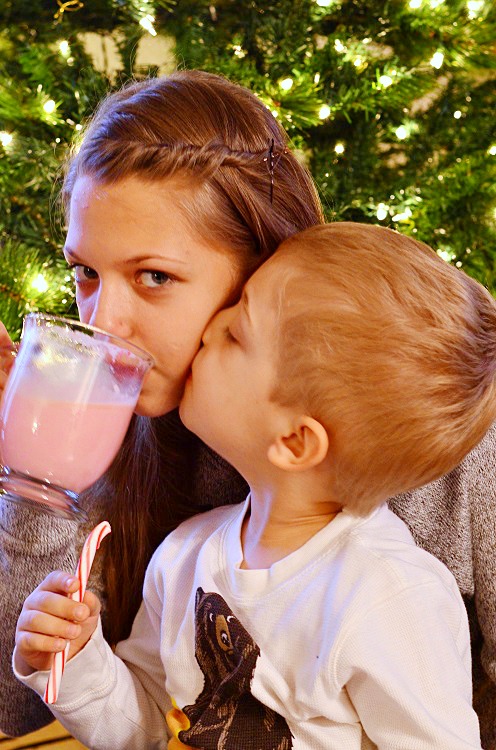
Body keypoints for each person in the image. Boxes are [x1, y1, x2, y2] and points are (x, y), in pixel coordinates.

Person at [0, 70, 495, 746]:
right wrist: (33, 493)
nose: (102, 322)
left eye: (155, 278)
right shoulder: (169, 523)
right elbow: (48, 716)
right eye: (84, 272)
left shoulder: (433, 447)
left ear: (262, 273)